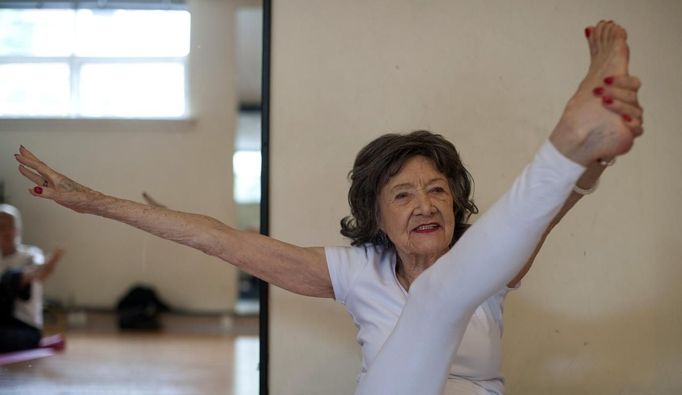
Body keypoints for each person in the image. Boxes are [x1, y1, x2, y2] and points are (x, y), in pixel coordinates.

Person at [14, 20, 642, 394]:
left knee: (455, 282)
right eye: (403, 193)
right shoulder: (353, 270)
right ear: (377, 217)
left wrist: (596, 164)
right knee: (436, 298)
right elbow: (216, 239)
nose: (425, 204)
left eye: (438, 190)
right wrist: (92, 202)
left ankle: (580, 141)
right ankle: (570, 142)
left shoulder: (490, 261)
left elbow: (551, 210)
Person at [0, 204, 64, 353]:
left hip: (25, 327)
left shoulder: (30, 255)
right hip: (2, 321)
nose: (3, 232)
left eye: (6, 227)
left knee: (11, 276)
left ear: (16, 230)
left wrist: (50, 263)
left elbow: (41, 272)